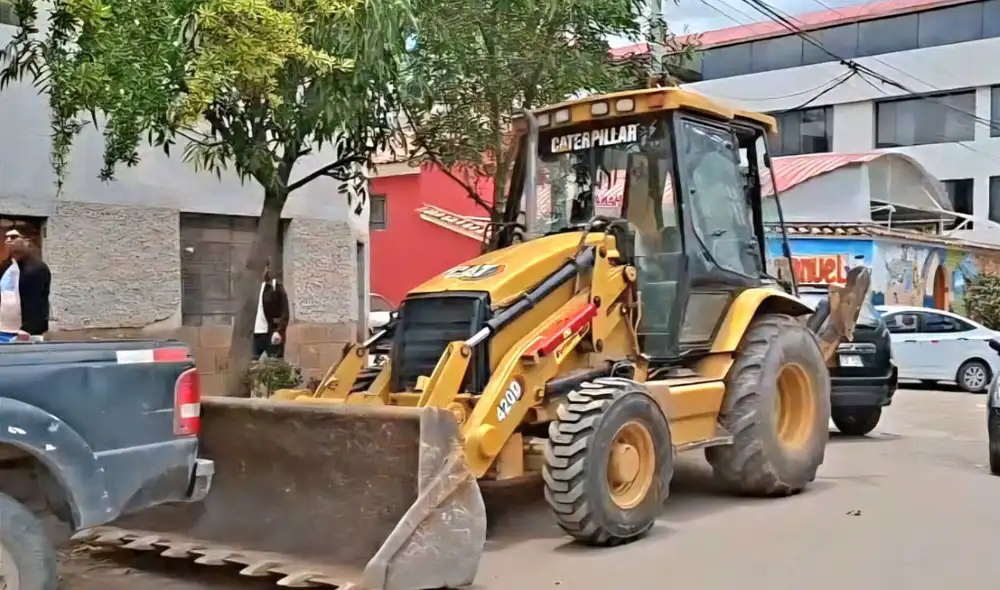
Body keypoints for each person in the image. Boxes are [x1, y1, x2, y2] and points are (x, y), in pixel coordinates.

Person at [0, 230, 49, 342]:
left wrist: (29, 328)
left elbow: (37, 300)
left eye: (13, 237)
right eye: (6, 237)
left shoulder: (36, 268)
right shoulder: (5, 266)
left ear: (26, 241)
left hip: (23, 333)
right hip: (3, 330)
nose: (8, 240)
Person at [253, 262, 289, 359]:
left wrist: (279, 331)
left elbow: (284, 311)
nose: (265, 272)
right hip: (255, 334)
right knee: (253, 365)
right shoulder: (253, 288)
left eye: (267, 269)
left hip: (271, 333)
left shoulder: (276, 287)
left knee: (274, 364)